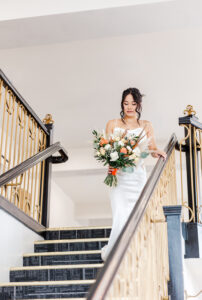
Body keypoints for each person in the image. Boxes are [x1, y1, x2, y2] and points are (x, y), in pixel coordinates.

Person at [101, 87, 167, 262]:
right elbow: (108, 149)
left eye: (133, 103)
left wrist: (157, 151)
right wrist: (111, 164)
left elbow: (151, 148)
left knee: (137, 213)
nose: (129, 107)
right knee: (120, 213)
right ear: (122, 104)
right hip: (119, 177)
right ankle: (117, 254)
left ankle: (136, 250)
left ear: (139, 104)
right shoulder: (112, 124)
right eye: (126, 103)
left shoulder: (146, 125)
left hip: (137, 176)